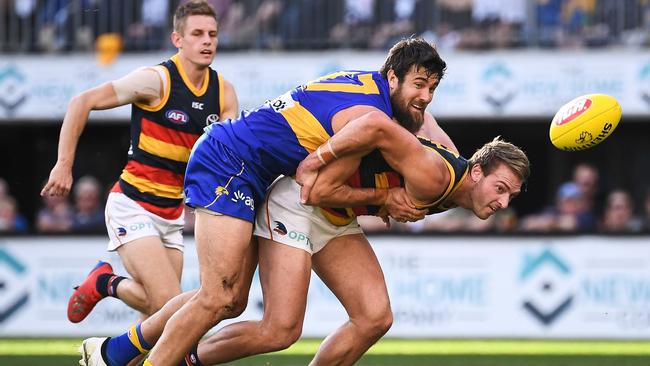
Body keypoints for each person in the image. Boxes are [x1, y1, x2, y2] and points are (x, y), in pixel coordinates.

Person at [79, 36, 448, 366]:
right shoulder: (368, 115)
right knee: (218, 296)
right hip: (228, 162)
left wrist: (464, 167)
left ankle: (114, 353)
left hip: (252, 172)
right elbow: (313, 187)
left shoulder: (373, 89)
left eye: (432, 88)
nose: (425, 97)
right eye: (419, 85)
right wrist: (385, 198)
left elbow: (433, 136)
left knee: (231, 299)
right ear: (393, 77)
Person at [40, 0, 238, 324]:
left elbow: (226, 155)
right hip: (133, 205)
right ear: (178, 39)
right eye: (198, 33)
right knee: (169, 305)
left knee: (156, 321)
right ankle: (106, 283)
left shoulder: (223, 92)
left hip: (172, 212)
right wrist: (63, 164)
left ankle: (107, 314)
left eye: (212, 34)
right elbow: (81, 101)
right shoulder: (156, 80)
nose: (207, 41)